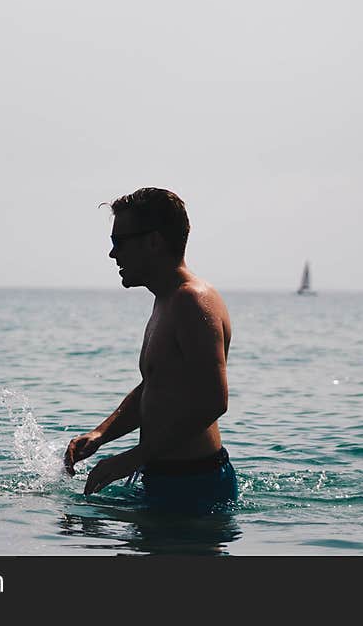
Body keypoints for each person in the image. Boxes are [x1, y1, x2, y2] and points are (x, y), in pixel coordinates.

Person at [64, 187, 237, 512]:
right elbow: (157, 385)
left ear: (154, 241)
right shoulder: (167, 299)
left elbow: (213, 401)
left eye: (119, 243)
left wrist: (130, 459)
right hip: (164, 480)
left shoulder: (192, 300)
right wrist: (102, 434)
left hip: (196, 488)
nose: (112, 255)